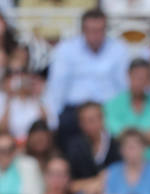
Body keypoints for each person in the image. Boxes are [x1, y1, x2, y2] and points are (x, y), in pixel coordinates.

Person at [45, 8, 130, 136]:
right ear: (82, 31)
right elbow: (57, 87)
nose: (95, 35)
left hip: (108, 109)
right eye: (91, 31)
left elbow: (124, 86)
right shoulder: (66, 49)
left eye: (99, 31)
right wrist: (52, 120)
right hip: (74, 110)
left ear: (106, 30)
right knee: (64, 128)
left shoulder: (119, 49)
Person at [104, 57, 150, 163]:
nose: (140, 82)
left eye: (144, 78)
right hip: (124, 164)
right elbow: (116, 136)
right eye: (136, 77)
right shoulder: (112, 104)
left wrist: (131, 134)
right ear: (128, 75)